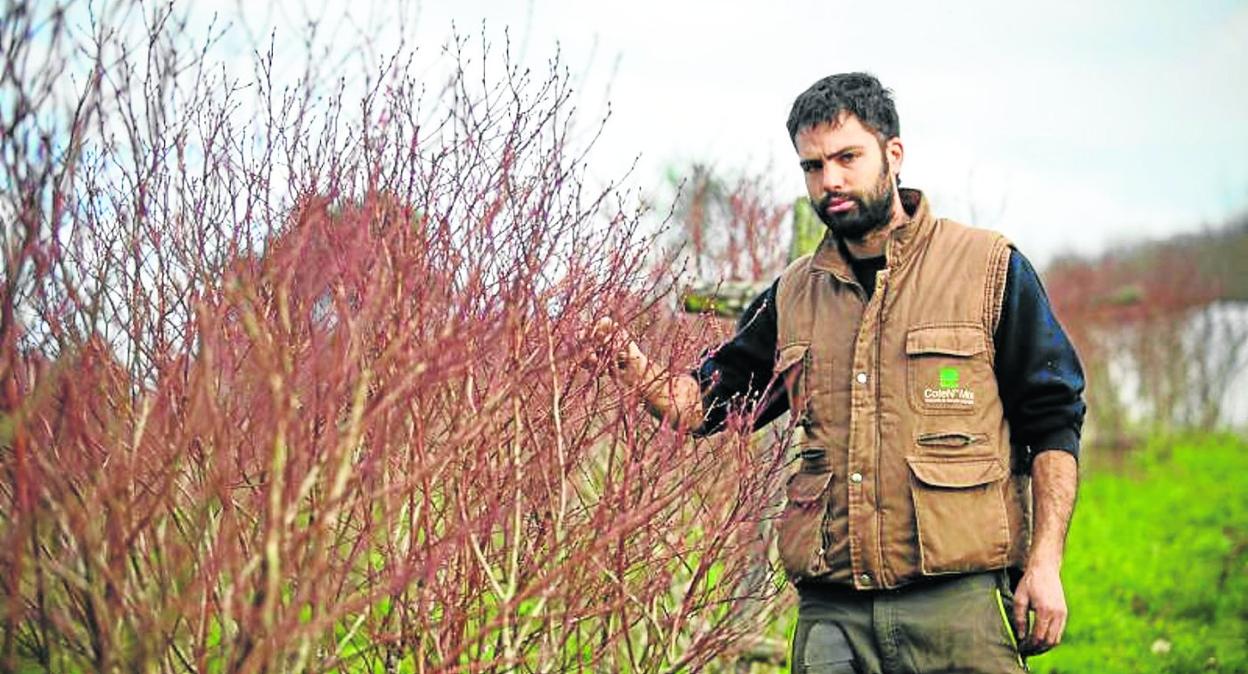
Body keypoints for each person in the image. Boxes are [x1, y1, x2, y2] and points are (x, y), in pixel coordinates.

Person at [588, 72, 1084, 673]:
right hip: (834, 616)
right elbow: (704, 406)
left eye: (847, 157)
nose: (831, 181)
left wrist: (1045, 564)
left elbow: (1053, 420)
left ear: (893, 154)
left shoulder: (986, 268)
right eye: (813, 166)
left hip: (958, 607)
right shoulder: (794, 295)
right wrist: (633, 368)